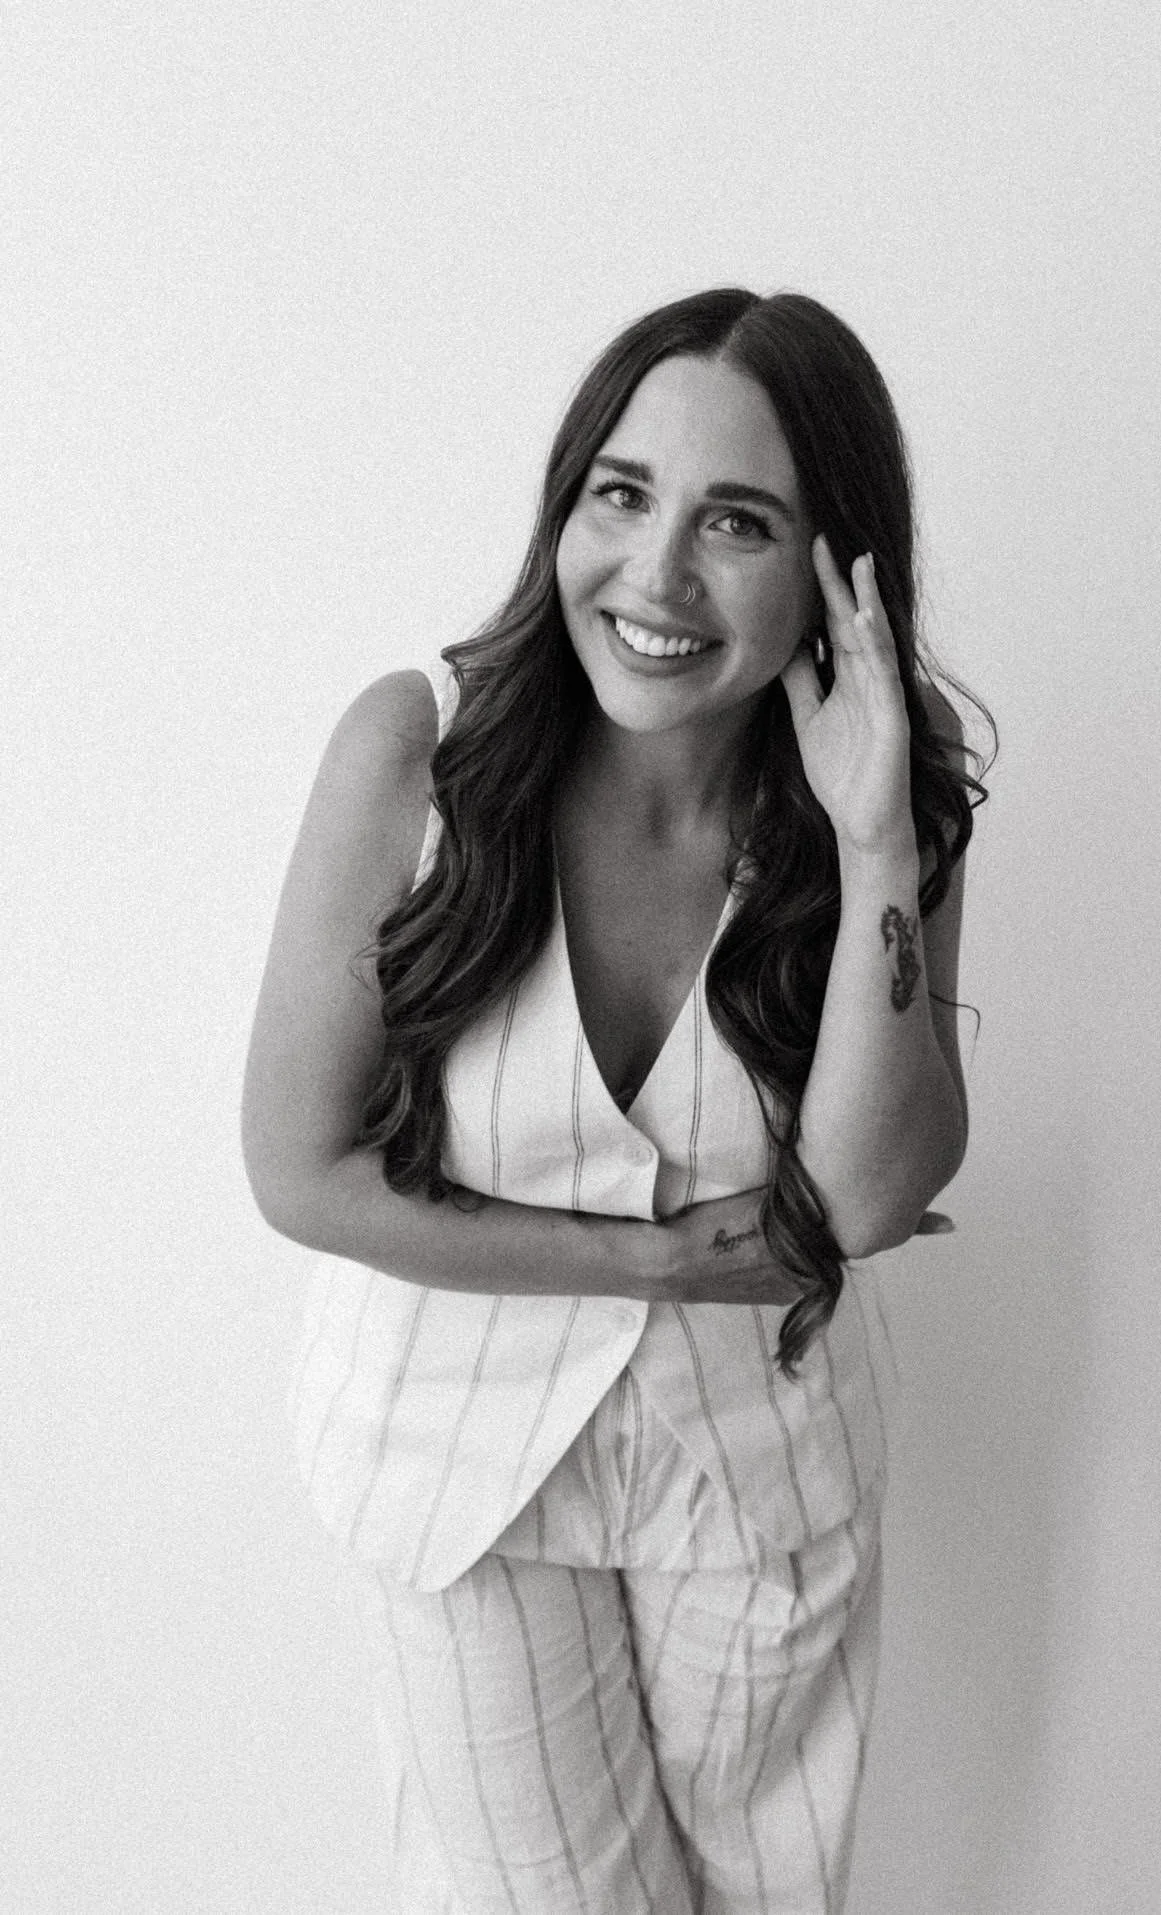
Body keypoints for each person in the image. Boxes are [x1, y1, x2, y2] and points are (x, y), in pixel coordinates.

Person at [242, 287, 991, 1914]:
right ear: (565, 507)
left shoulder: (885, 782)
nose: (656, 577)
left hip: (763, 1476)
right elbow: (299, 1169)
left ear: (831, 569)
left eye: (737, 521)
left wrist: (876, 840)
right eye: (621, 495)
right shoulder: (414, 756)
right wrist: (651, 1259)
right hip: (460, 1481)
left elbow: (865, 1196)